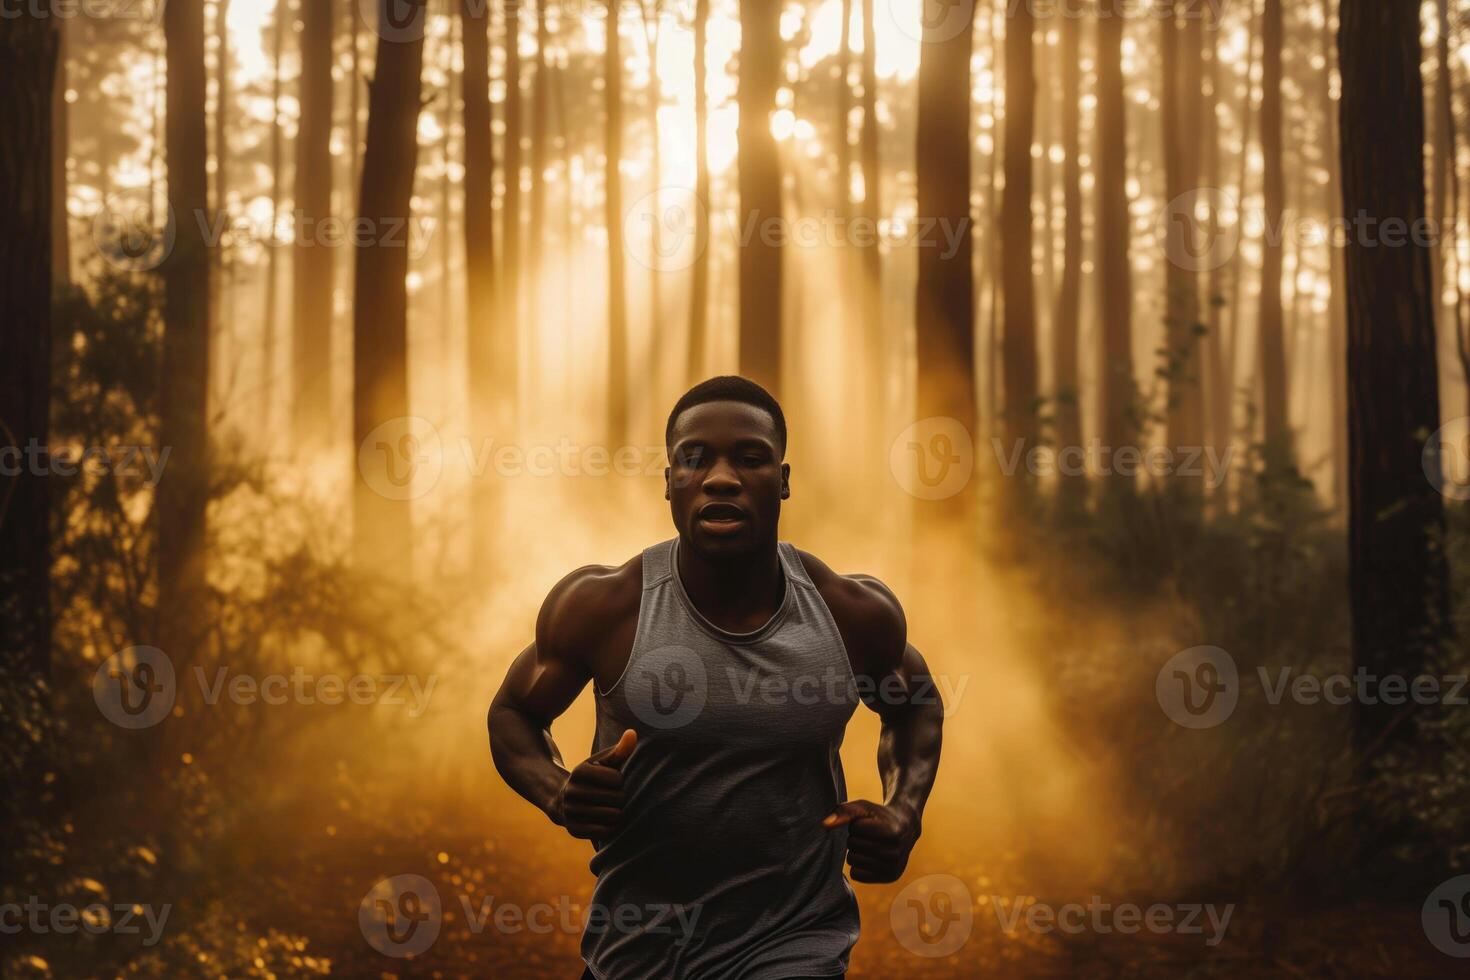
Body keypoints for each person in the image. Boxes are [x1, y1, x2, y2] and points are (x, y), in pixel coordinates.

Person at [488, 375, 944, 980]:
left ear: (782, 482)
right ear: (670, 481)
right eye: (694, 458)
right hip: (637, 954)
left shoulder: (849, 612)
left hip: (797, 946)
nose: (721, 477)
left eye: (750, 459)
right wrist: (556, 792)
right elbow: (514, 713)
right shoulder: (605, 606)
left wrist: (904, 811)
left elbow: (915, 705)